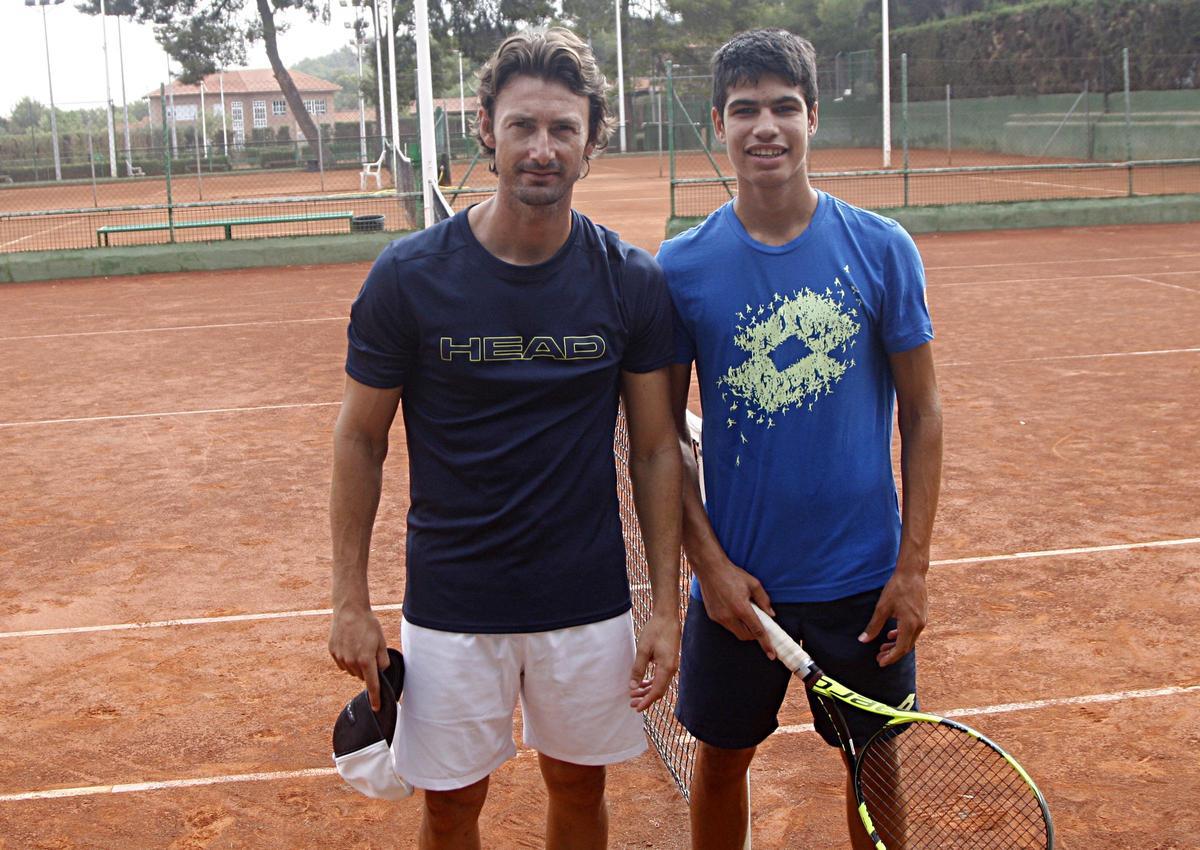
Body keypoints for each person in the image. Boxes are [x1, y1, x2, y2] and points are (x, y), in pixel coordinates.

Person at [327, 27, 683, 850]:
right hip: (453, 601)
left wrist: (664, 606)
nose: (542, 148)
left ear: (593, 138)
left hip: (586, 600)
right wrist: (349, 599)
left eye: (563, 128)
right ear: (486, 127)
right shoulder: (408, 277)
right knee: (450, 806)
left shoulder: (631, 281)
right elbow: (358, 440)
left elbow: (658, 448)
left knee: (578, 791)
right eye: (523, 125)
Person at [657, 29, 944, 850]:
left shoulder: (882, 250)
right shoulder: (680, 268)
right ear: (718, 123)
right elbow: (666, 436)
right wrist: (711, 571)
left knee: (873, 765)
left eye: (784, 106)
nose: (765, 127)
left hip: (863, 583)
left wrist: (912, 569)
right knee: (719, 761)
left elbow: (922, 414)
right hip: (739, 589)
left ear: (813, 116)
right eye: (744, 109)